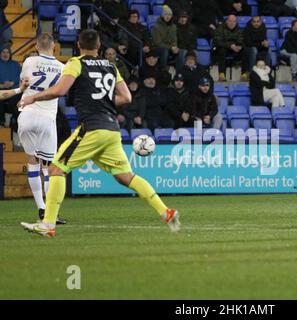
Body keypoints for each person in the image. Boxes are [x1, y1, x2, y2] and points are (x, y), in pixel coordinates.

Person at [20, 29, 180, 237]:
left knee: (56, 169)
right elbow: (127, 97)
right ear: (99, 47)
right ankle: (165, 211)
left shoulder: (76, 63)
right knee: (127, 177)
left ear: (78, 45)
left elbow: (60, 91)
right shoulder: (111, 66)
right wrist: (104, 102)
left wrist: (34, 98)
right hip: (112, 130)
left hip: (92, 128)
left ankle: (48, 224)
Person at [17, 33, 66, 224]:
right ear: (54, 46)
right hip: (47, 119)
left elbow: (24, 83)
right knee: (48, 167)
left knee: (32, 162)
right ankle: (50, 213)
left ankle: (41, 207)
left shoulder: (29, 61)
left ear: (37, 46)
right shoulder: (63, 67)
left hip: (27, 115)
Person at [213, 15, 246, 82]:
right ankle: (222, 74)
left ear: (236, 22)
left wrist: (239, 46)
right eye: (230, 21)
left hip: (235, 50)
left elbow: (241, 41)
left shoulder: (239, 30)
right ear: (226, 21)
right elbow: (217, 42)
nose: (232, 23)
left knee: (245, 51)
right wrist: (230, 45)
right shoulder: (220, 29)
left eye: (234, 21)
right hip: (223, 49)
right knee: (222, 50)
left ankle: (244, 74)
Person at [152, 5, 182, 70]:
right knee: (165, 51)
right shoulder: (156, 27)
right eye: (166, 14)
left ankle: (179, 74)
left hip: (170, 48)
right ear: (162, 15)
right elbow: (157, 43)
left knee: (180, 52)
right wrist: (171, 47)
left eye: (169, 15)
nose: (168, 16)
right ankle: (163, 70)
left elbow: (174, 40)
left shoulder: (174, 27)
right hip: (157, 48)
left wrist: (175, 47)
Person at [0, 46, 21, 128]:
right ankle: (2, 122)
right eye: (3, 52)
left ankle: (13, 121)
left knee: (18, 99)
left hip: (14, 90)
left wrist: (12, 83)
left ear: (10, 54)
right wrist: (2, 85)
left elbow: (21, 78)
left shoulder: (16, 64)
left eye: (7, 52)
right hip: (1, 89)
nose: (5, 54)